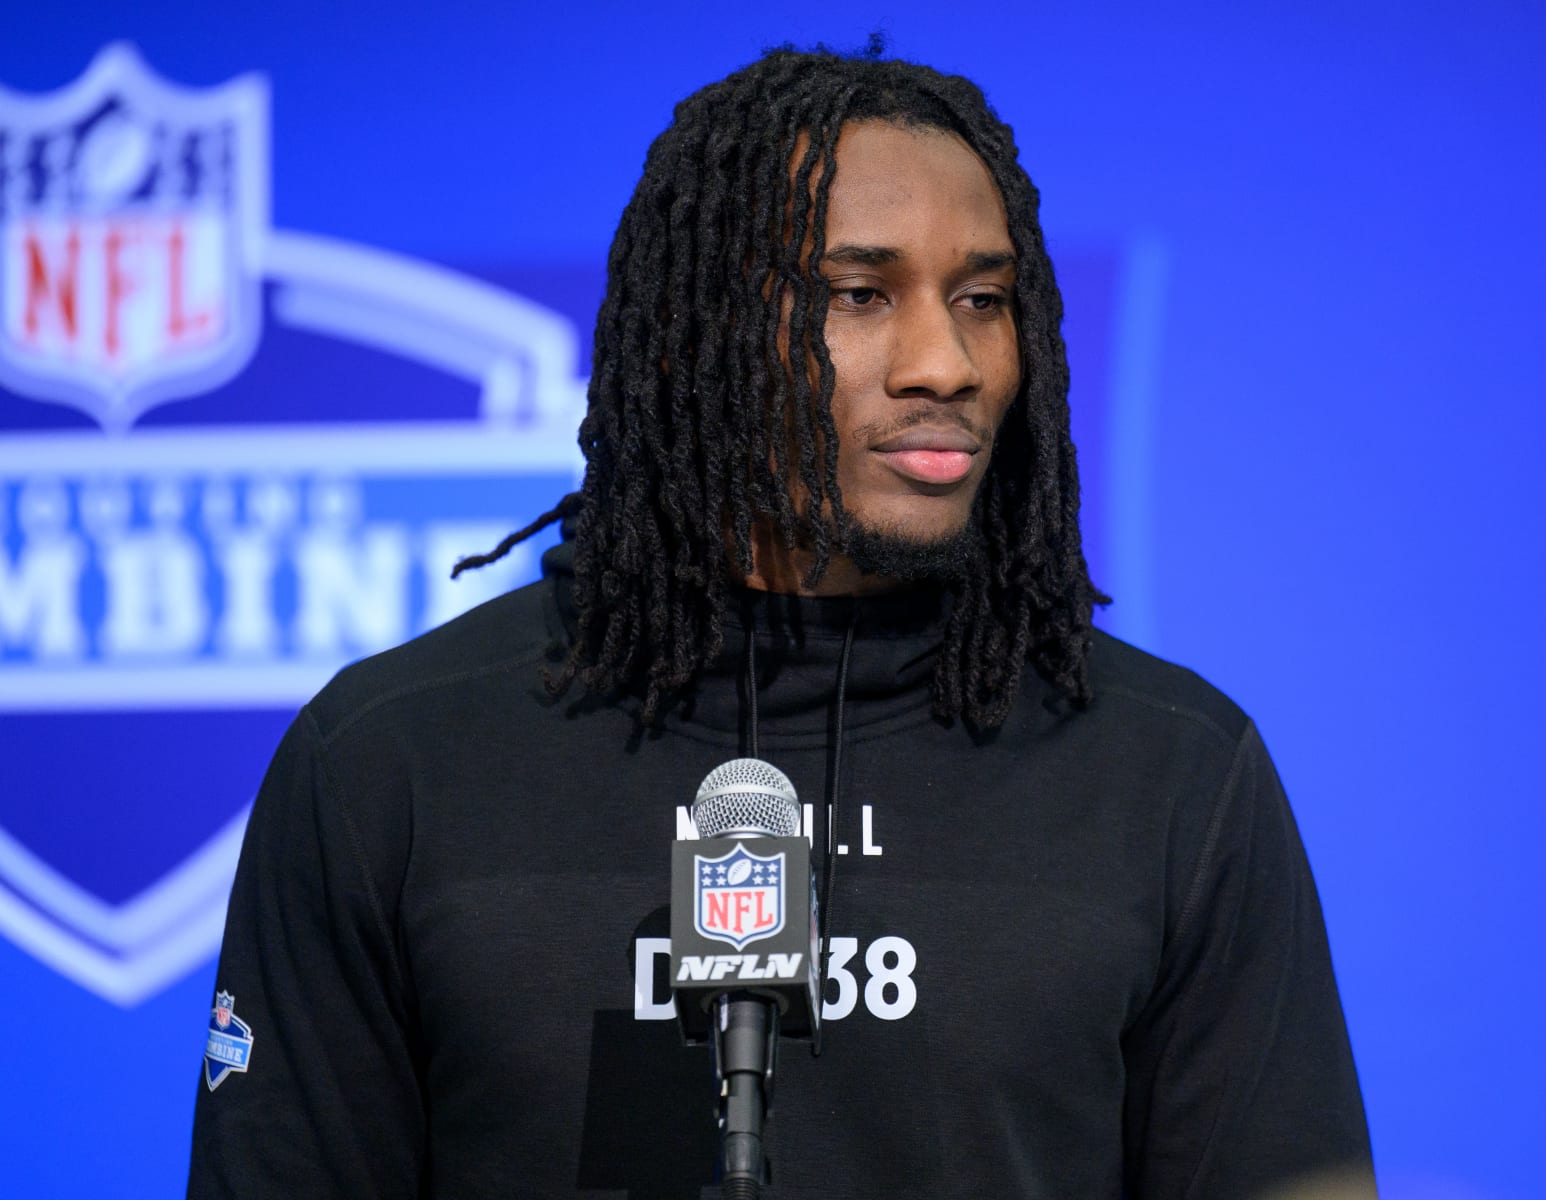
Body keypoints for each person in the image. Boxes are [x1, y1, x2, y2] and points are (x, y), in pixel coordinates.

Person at [186, 42, 1374, 1200]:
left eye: (984, 299)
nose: (944, 361)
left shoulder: (1169, 776)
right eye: (859, 294)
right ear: (699, 332)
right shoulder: (396, 765)